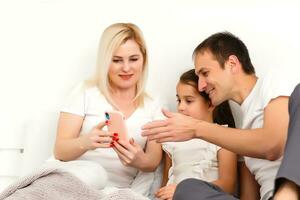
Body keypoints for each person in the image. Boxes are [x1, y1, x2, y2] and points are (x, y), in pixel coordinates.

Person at [142, 32, 299, 200]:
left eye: (205, 73)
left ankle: (288, 192)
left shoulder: (274, 80)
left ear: (232, 63)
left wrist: (196, 128)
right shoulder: (242, 133)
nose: (201, 86)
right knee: (188, 187)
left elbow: (272, 146)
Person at [54, 22, 164, 197]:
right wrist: (86, 142)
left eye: (133, 59)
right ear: (105, 61)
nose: (126, 68)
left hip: (118, 191)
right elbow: (60, 150)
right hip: (77, 181)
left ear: (144, 59)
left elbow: (152, 162)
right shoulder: (84, 92)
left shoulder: (153, 104)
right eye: (117, 60)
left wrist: (138, 160)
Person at [155, 69, 237, 200]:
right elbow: (165, 183)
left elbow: (228, 185)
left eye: (188, 101)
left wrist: (183, 191)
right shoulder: (172, 141)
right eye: (179, 100)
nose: (181, 107)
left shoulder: (224, 137)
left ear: (210, 103)